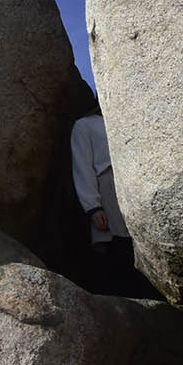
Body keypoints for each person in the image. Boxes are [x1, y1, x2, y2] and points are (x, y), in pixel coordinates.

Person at [70, 108, 152, 297]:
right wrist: (93, 207)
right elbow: (82, 167)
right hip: (108, 190)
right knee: (119, 251)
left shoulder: (127, 120)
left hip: (134, 186)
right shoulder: (84, 125)